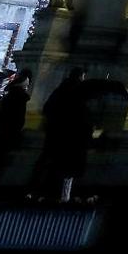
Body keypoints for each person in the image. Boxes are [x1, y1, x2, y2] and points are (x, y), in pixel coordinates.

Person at [38, 68, 93, 203]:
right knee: (68, 173)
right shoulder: (78, 95)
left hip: (56, 136)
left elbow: (47, 109)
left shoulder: (59, 91)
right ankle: (63, 199)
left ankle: (46, 195)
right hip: (72, 140)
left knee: (55, 169)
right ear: (81, 77)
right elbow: (83, 118)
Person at [0, 70, 32, 191]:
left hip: (2, 132)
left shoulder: (8, 97)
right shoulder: (21, 99)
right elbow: (19, 119)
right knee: (0, 160)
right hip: (11, 133)